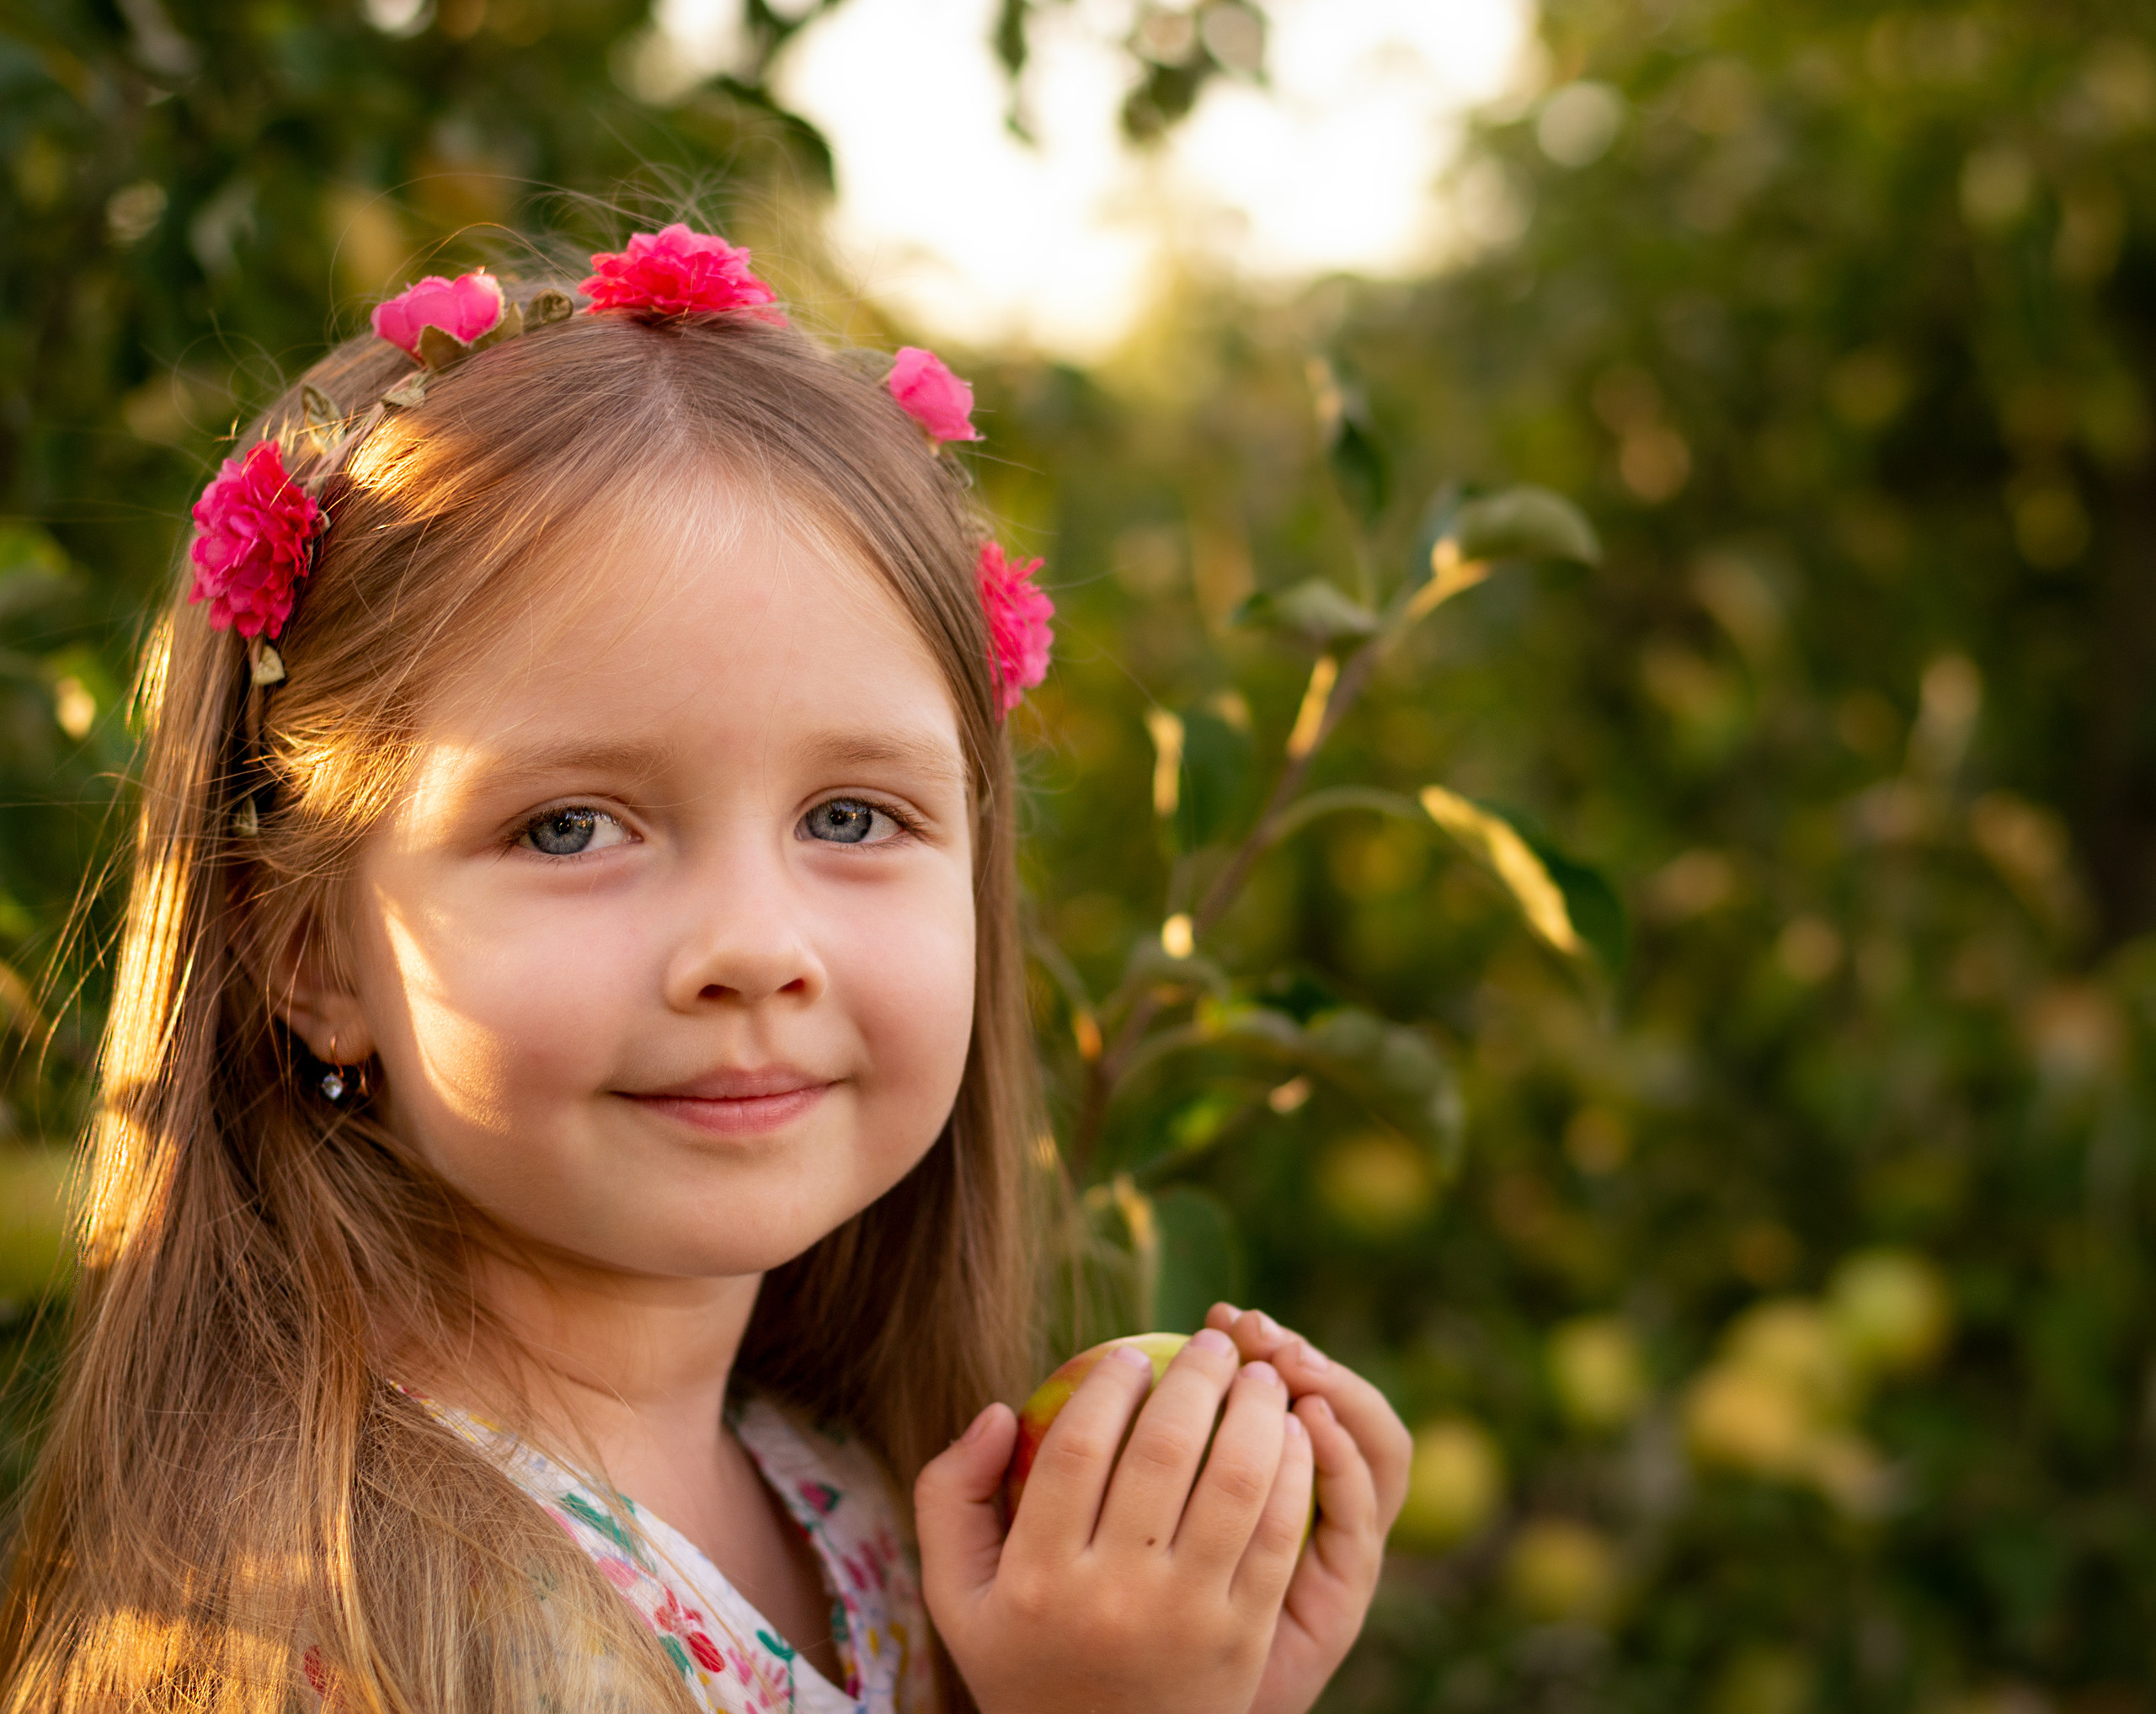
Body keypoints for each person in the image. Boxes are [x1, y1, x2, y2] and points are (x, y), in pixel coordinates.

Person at [0, 224, 1409, 1714]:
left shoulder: (853, 1498)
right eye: (570, 826)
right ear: (307, 949)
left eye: (852, 817)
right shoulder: (330, 1620)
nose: (752, 946)